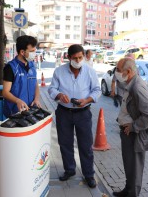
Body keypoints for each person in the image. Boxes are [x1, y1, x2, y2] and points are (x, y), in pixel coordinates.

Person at [48, 44, 101, 188]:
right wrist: (59, 95)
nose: (78, 60)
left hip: (83, 113)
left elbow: (97, 90)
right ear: (68, 57)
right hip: (64, 113)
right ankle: (69, 170)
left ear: (83, 56)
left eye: (80, 57)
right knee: (65, 143)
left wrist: (87, 100)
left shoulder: (90, 71)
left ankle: (89, 174)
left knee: (85, 145)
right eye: (75, 58)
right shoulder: (59, 71)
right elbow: (52, 88)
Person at [113, 58, 148, 197]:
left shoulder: (137, 86)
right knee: (129, 165)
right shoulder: (130, 82)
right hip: (127, 132)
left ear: (128, 71)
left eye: (119, 70)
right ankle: (128, 190)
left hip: (134, 134)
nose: (116, 73)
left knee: (135, 168)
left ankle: (133, 193)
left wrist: (133, 127)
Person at [2, 35, 41, 118]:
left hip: (30, 111)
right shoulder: (11, 67)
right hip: (15, 113)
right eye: (32, 51)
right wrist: (17, 101)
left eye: (35, 50)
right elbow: (5, 92)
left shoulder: (32, 65)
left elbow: (35, 84)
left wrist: (36, 99)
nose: (34, 54)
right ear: (22, 52)